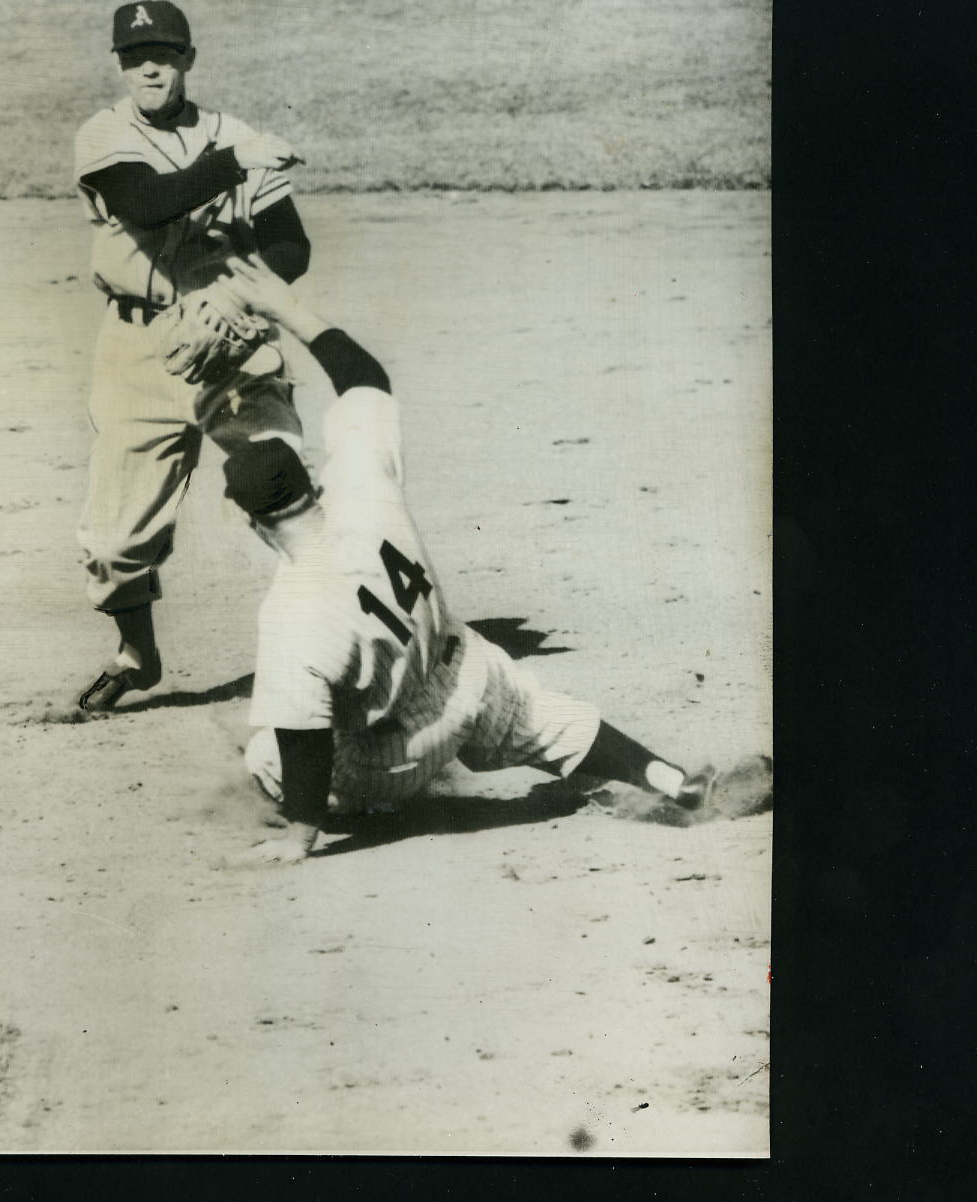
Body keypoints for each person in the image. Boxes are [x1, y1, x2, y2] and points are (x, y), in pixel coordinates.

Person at [215, 256, 772, 863]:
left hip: (388, 760)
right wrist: (287, 311)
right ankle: (669, 779)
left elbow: (303, 741)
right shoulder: (359, 487)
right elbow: (365, 378)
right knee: (550, 718)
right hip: (469, 683)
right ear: (312, 485)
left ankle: (356, 815)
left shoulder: (292, 613)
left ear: (252, 521)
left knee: (267, 754)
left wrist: (299, 836)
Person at [72, 0, 312, 713]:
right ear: (120, 64)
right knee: (114, 542)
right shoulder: (105, 134)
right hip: (138, 350)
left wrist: (237, 298)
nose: (150, 66)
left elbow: (291, 245)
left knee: (289, 493)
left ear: (188, 59)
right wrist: (235, 162)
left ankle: (338, 641)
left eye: (166, 53)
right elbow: (147, 202)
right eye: (135, 55)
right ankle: (137, 655)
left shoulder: (232, 134)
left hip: (229, 341)